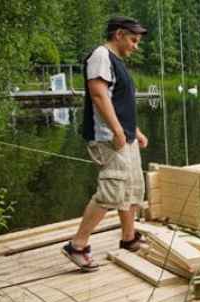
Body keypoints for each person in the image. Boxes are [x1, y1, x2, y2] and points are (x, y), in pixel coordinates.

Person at [62, 16, 149, 272]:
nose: (136, 46)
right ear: (119, 34)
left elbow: (118, 102)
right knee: (111, 190)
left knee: (133, 187)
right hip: (108, 138)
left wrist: (135, 131)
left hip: (124, 135)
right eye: (133, 40)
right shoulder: (101, 55)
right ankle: (76, 246)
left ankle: (128, 237)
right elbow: (99, 94)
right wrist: (117, 131)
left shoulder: (117, 62)